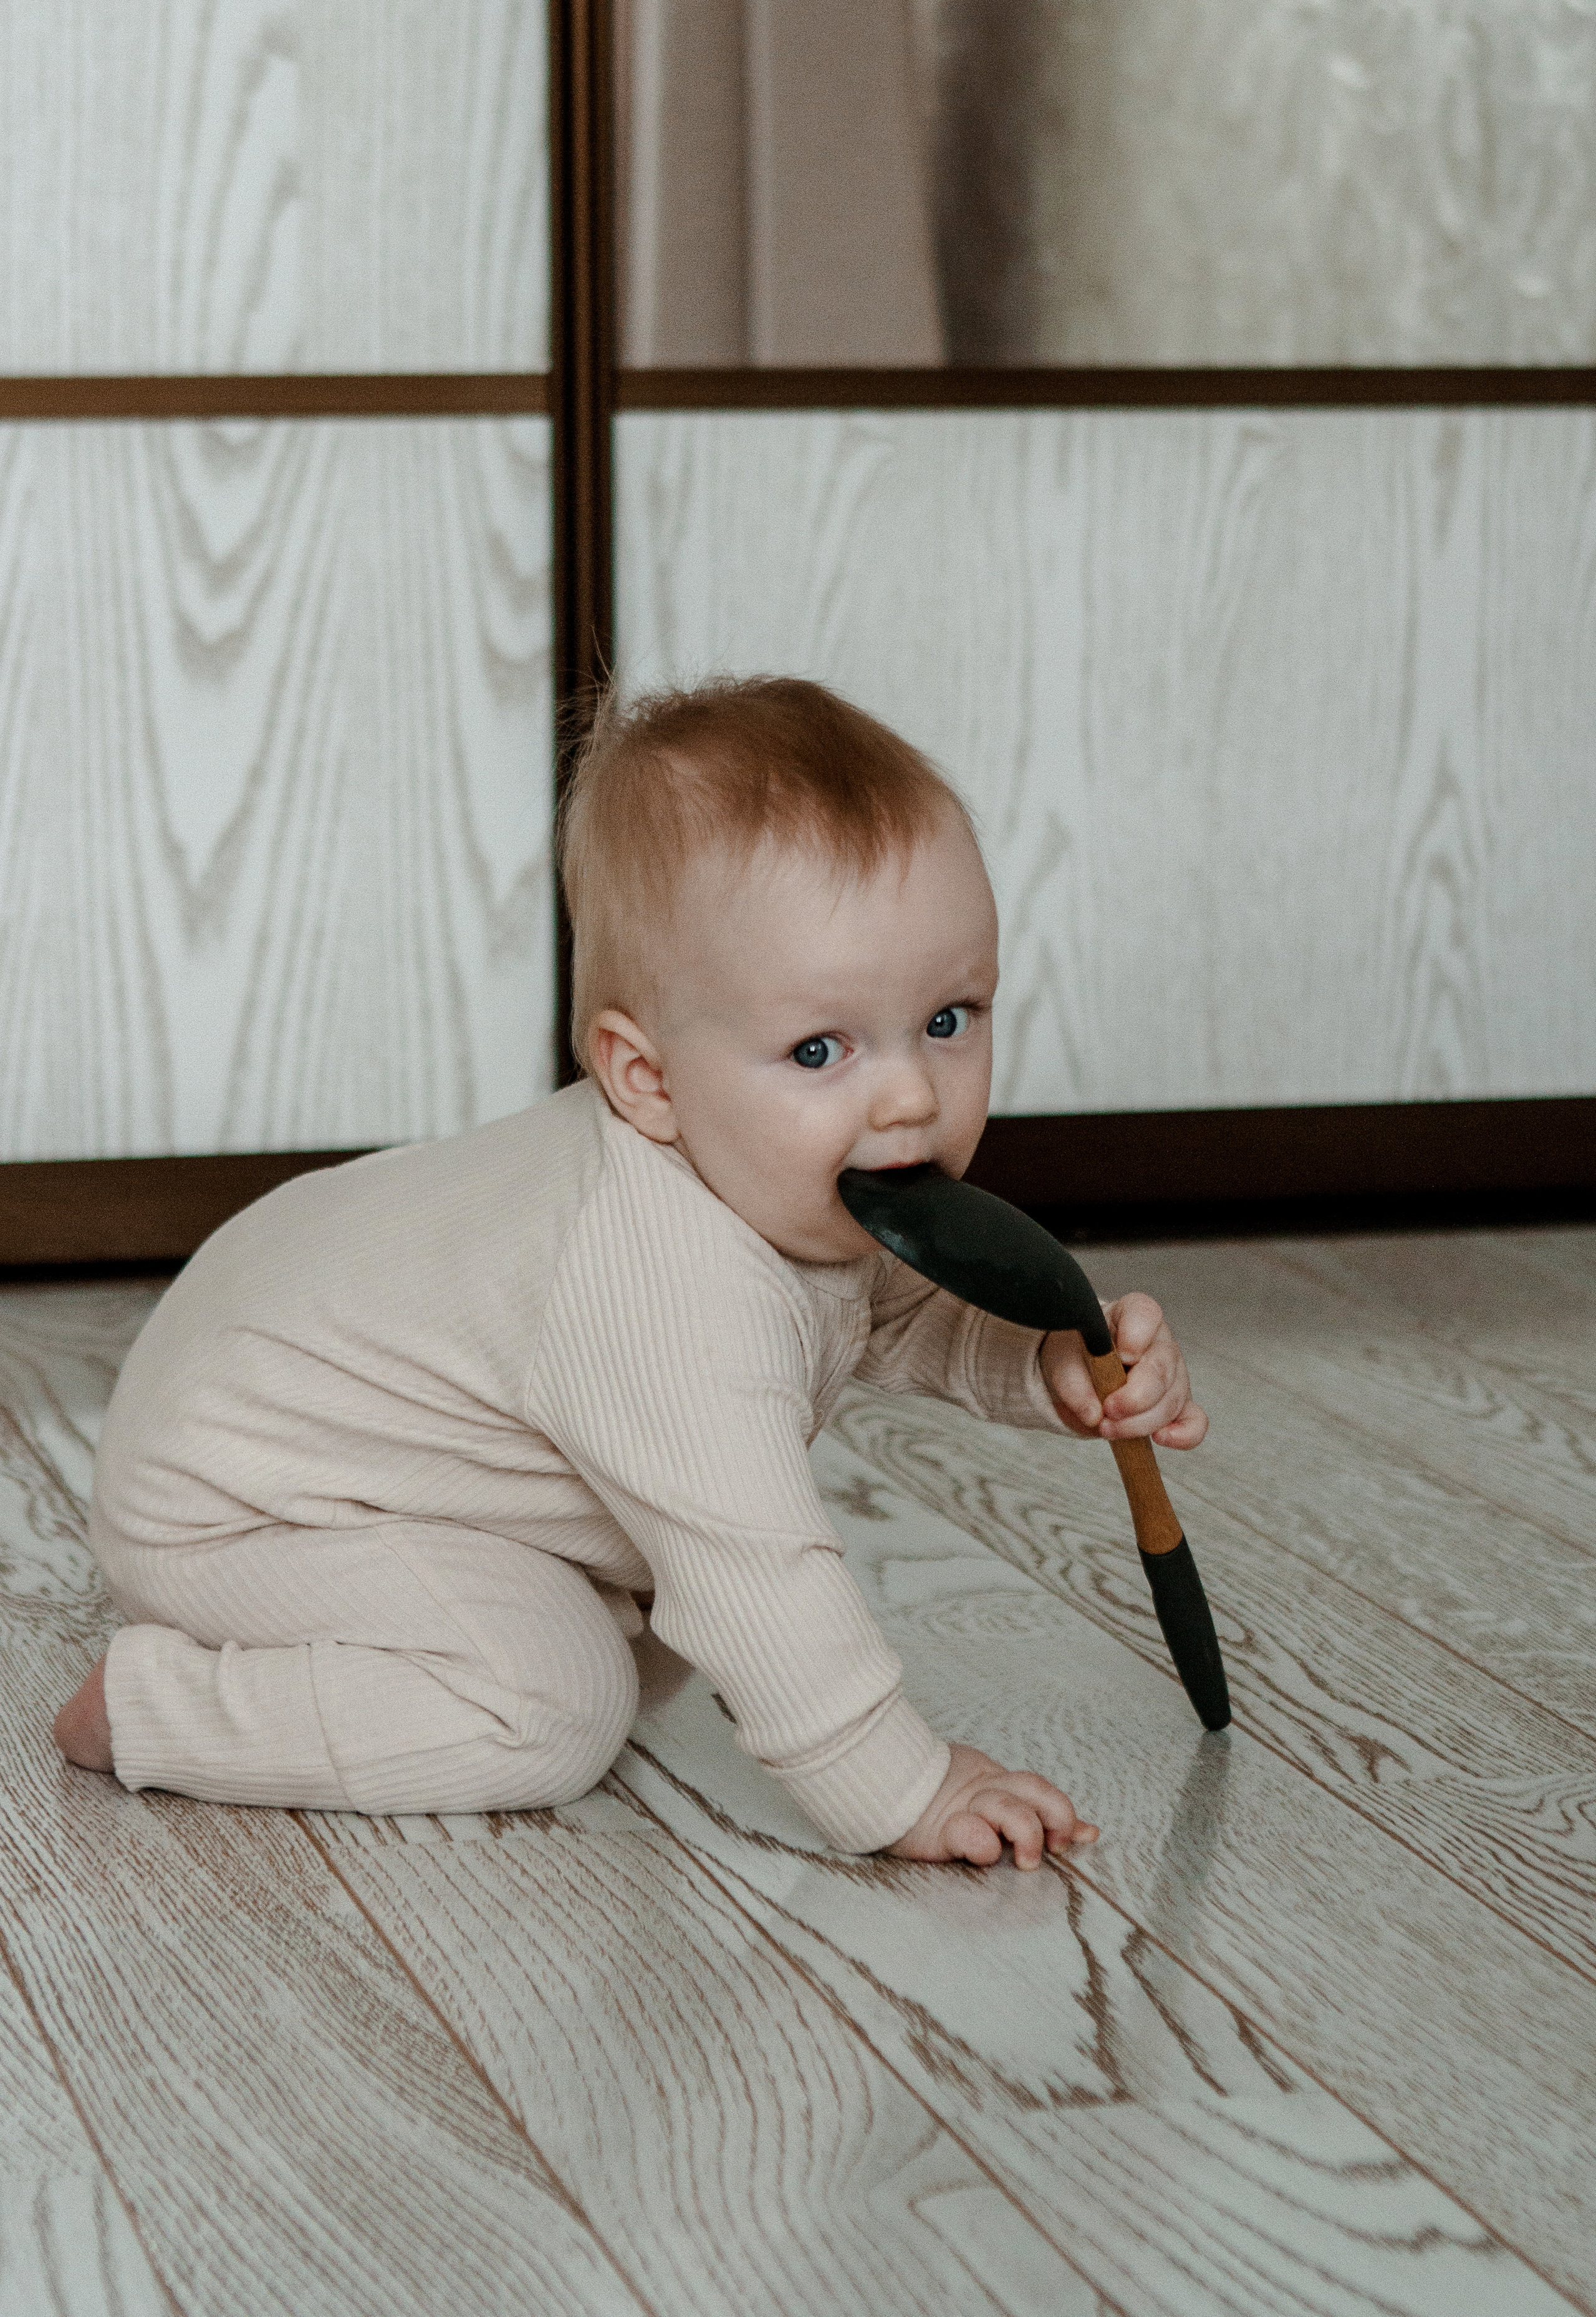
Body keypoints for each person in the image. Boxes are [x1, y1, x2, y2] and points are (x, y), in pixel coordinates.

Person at [54, 677, 1206, 1869]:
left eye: (950, 1020)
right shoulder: (662, 1287)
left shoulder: (763, 1176)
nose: (911, 1094)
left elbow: (882, 1311)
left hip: (329, 1436)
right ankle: (152, 1709)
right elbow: (756, 1570)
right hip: (240, 1501)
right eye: (821, 1048)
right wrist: (902, 1788)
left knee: (633, 1639)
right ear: (645, 1078)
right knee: (555, 1705)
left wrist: (1048, 1361)